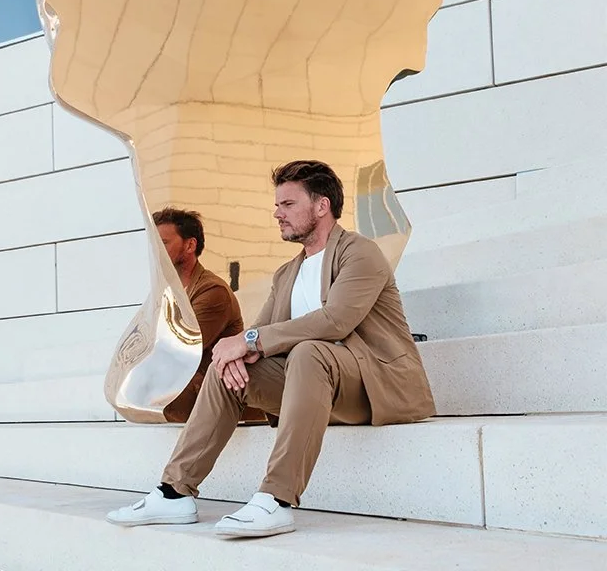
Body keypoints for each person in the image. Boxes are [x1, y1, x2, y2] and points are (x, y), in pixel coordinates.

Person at [107, 161, 435, 539]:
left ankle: (276, 500)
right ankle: (174, 492)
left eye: (288, 204)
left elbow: (336, 321)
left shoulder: (359, 253)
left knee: (310, 351)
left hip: (369, 385)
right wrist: (236, 352)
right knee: (227, 368)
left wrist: (249, 342)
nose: (277, 213)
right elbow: (258, 332)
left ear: (321, 206)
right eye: (277, 205)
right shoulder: (287, 273)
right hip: (309, 386)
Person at [154, 207, 244, 423]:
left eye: (163, 243)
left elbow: (180, 349)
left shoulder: (213, 291)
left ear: (190, 245)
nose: (155, 249)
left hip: (210, 397)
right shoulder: (166, 291)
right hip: (183, 394)